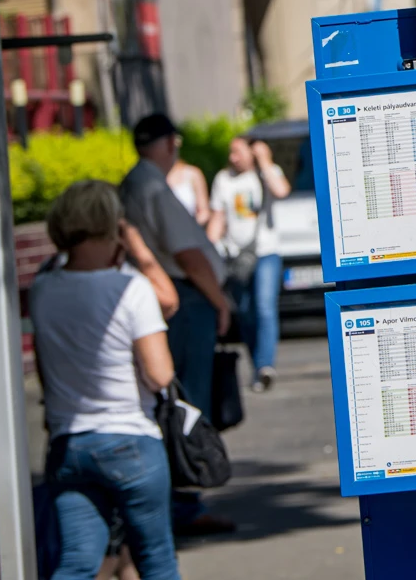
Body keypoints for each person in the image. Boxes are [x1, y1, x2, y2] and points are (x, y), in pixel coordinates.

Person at [30, 180, 181, 580]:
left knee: (77, 562)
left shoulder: (43, 289)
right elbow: (159, 373)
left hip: (69, 444)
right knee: (156, 560)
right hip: (131, 441)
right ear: (111, 224)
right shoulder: (131, 288)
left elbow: (45, 367)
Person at [120, 114, 235, 537]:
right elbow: (188, 254)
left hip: (172, 295)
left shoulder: (135, 183)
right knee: (187, 401)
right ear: (171, 144)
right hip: (186, 299)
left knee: (174, 399)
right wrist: (220, 301)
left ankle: (178, 502)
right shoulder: (151, 186)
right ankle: (184, 503)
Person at [207, 135, 290, 392]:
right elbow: (218, 217)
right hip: (235, 256)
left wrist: (264, 160)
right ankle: (258, 366)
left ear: (252, 152)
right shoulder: (223, 179)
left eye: (238, 152)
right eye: (230, 152)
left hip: (266, 252)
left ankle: (265, 365)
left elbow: (281, 190)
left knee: (265, 307)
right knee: (244, 312)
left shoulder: (267, 173)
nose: (233, 157)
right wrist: (207, 246)